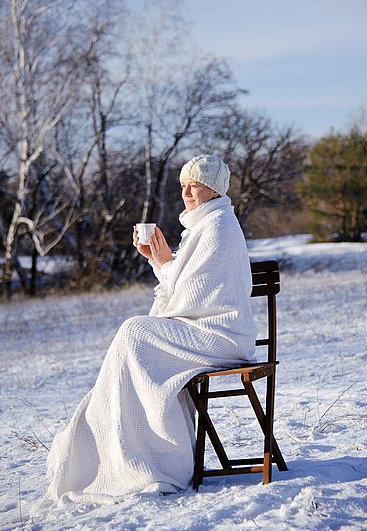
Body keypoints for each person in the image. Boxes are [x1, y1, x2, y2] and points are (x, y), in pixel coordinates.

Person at [46, 155, 258, 504]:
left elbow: (194, 296)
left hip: (220, 335)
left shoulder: (218, 226)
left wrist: (164, 263)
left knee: (135, 332)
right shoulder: (202, 226)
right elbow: (190, 288)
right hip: (205, 329)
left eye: (196, 186)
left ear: (214, 189)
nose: (187, 192)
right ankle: (120, 446)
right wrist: (160, 262)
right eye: (184, 186)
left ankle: (154, 458)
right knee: (135, 338)